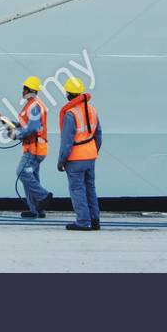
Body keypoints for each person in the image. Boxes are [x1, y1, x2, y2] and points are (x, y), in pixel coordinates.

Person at [56, 77, 101, 231]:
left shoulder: (71, 114)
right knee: (90, 188)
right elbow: (98, 135)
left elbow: (67, 141)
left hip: (75, 158)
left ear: (69, 94)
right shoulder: (92, 110)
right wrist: (93, 151)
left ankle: (83, 221)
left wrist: (61, 160)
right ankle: (95, 220)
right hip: (90, 156)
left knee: (77, 190)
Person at [12, 76, 52, 218]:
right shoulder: (31, 104)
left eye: (24, 88)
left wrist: (16, 135)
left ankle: (43, 196)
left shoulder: (34, 106)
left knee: (22, 173)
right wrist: (12, 124)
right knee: (32, 176)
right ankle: (36, 210)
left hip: (34, 149)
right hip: (34, 148)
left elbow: (33, 128)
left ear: (29, 90)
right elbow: (27, 124)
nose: (22, 91)